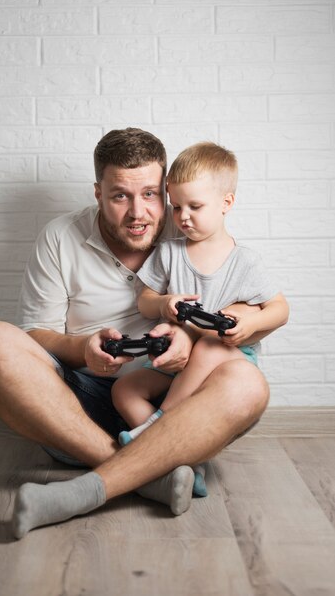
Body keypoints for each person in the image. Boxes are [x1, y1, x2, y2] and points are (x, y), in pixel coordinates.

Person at [0, 128, 271, 539]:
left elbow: (243, 314)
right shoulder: (59, 237)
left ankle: (103, 480)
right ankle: (149, 473)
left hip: (177, 404)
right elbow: (34, 336)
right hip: (78, 409)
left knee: (248, 385)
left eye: (149, 194)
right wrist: (83, 350)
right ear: (98, 193)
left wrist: (191, 338)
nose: (138, 213)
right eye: (120, 196)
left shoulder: (190, 224)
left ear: (166, 190)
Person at [111, 142, 289, 446]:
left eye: (195, 206)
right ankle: (175, 459)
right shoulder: (168, 252)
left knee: (208, 343)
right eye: (177, 207)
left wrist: (250, 325)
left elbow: (280, 309)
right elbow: (145, 301)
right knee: (124, 390)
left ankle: (159, 426)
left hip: (224, 355)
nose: (183, 217)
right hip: (178, 355)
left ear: (226, 202)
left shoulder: (244, 261)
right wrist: (165, 303)